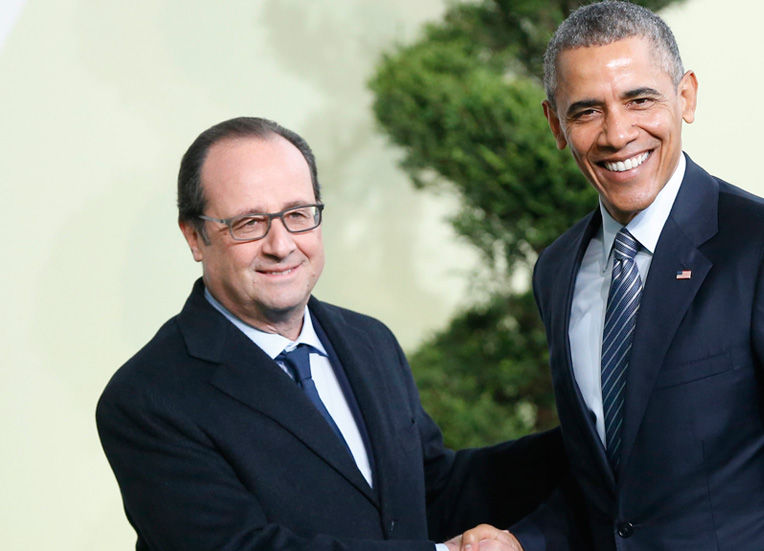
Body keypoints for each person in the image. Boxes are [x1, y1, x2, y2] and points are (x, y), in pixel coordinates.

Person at [462, 2, 764, 550]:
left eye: (639, 100)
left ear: (686, 97)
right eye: (587, 111)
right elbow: (612, 491)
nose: (617, 134)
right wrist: (522, 541)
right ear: (556, 125)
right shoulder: (558, 271)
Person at [96, 116, 565, 551]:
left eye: (298, 214)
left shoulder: (368, 341)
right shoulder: (148, 399)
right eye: (249, 223)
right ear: (194, 236)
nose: (281, 245)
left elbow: (431, 492)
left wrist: (586, 441)